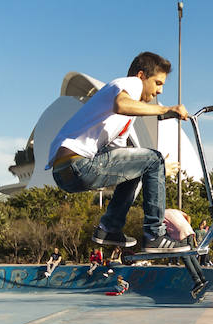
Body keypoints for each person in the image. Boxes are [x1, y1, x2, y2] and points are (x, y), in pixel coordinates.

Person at [46, 51, 190, 253]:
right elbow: (121, 104)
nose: (160, 91)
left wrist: (155, 174)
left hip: (64, 172)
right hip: (77, 163)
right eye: (158, 83)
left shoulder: (125, 121)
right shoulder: (130, 83)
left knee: (143, 164)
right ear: (141, 76)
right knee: (154, 158)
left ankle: (109, 228)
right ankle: (155, 235)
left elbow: (123, 162)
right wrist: (166, 110)